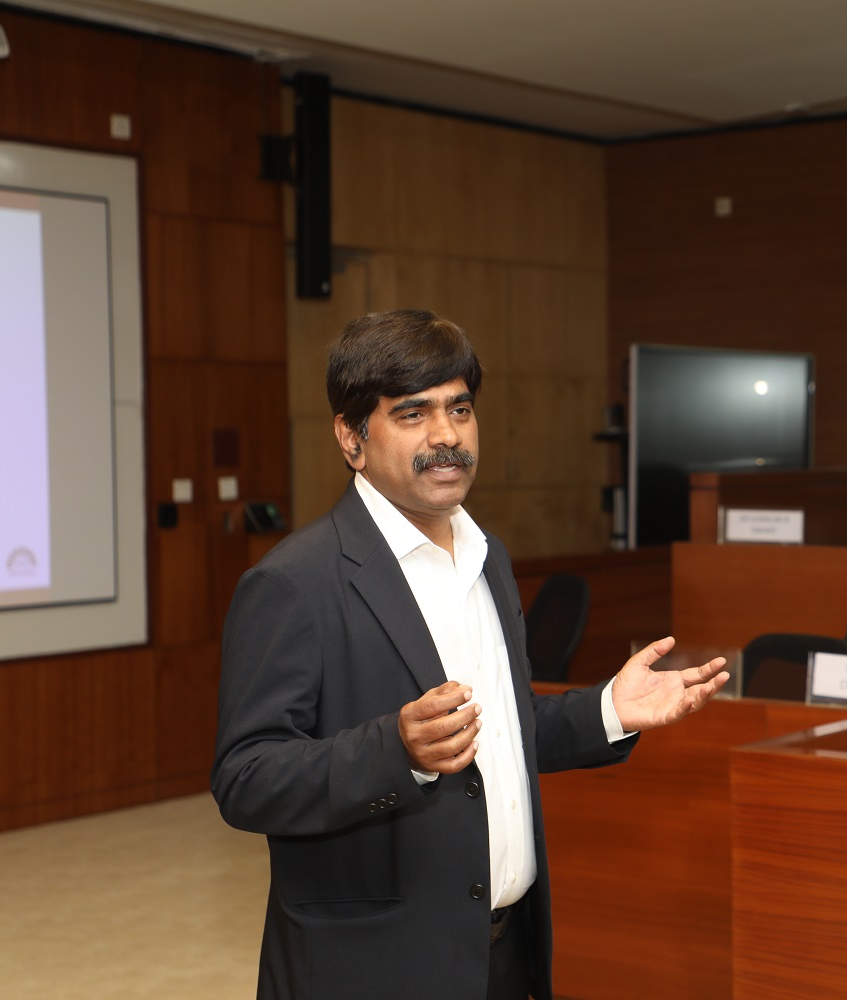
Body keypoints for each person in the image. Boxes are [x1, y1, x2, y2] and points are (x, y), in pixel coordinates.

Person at [211, 310, 730, 1000]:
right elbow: (246, 778)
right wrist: (396, 750)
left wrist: (610, 711)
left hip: (504, 956)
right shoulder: (293, 583)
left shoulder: (487, 558)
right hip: (373, 970)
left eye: (460, 408)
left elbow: (497, 735)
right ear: (351, 438)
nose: (447, 435)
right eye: (413, 413)